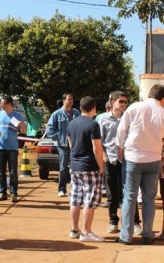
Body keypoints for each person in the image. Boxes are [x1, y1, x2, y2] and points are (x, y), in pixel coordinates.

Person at [116, 84, 164, 245]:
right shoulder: (162, 112)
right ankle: (148, 234)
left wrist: (120, 149)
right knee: (149, 199)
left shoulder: (134, 107)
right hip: (154, 159)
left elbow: (121, 130)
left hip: (133, 158)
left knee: (129, 197)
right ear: (162, 98)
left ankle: (126, 235)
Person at [99, 91, 141, 234]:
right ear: (112, 102)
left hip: (127, 160)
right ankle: (113, 222)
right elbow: (99, 141)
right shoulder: (103, 119)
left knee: (129, 191)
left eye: (125, 102)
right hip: (110, 160)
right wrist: (104, 156)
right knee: (112, 194)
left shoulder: (129, 118)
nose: (123, 104)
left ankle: (135, 223)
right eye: (121, 101)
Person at [66, 96, 104, 242]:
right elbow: (97, 147)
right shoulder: (93, 125)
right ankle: (86, 232)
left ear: (80, 107)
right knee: (90, 199)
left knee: (75, 198)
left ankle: (74, 229)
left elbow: (70, 144)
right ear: (93, 108)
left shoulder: (71, 124)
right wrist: (101, 166)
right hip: (89, 166)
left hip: (75, 166)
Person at [0, 96, 26, 202]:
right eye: (1, 103)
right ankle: (2, 193)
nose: (1, 105)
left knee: (13, 172)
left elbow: (24, 131)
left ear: (9, 104)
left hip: (12, 148)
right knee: (0, 172)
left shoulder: (16, 116)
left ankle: (13, 193)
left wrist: (21, 124)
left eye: (3, 103)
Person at [46, 93, 80, 197]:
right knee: (63, 168)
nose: (71, 101)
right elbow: (50, 129)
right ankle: (62, 189)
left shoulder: (77, 113)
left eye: (72, 99)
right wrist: (59, 138)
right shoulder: (57, 114)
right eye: (69, 99)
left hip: (76, 145)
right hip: (63, 146)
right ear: (64, 100)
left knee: (76, 168)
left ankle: (75, 190)